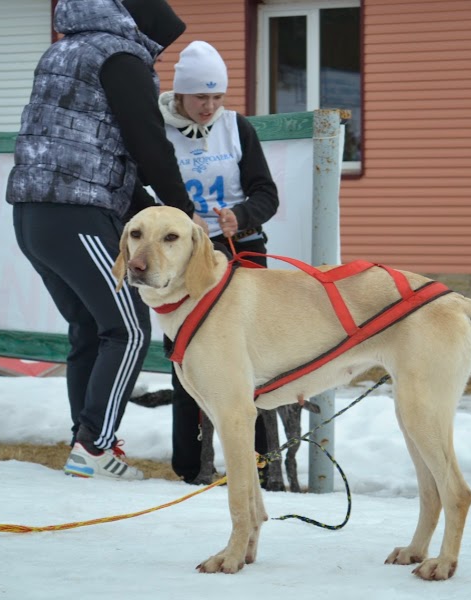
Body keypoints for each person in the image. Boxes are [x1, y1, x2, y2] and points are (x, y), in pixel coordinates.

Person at [6, 0, 205, 480]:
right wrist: (182, 209)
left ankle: (86, 445)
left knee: (92, 328)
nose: (158, 55)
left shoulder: (62, 52)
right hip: (76, 213)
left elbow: (87, 150)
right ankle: (94, 446)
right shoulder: (120, 58)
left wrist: (145, 205)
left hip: (32, 213)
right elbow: (147, 141)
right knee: (130, 328)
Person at [157, 41, 280, 485]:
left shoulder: (236, 127)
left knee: (254, 356)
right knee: (189, 352)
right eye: (199, 97)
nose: (209, 106)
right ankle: (192, 466)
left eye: (216, 97)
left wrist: (241, 214)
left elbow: (267, 192)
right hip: (187, 256)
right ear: (180, 95)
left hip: (241, 247)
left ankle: (262, 465)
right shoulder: (157, 127)